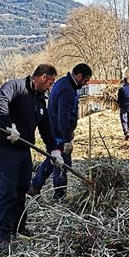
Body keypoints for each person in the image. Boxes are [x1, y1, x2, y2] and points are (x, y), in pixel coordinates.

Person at [0, 64, 57, 247]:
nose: (50, 86)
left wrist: (55, 150)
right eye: (50, 82)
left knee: (21, 190)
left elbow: (46, 129)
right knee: (8, 193)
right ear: (43, 77)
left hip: (23, 151)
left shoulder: (40, 101)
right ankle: (3, 235)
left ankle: (19, 228)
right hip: (6, 149)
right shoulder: (16, 86)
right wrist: (9, 125)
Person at [28, 63, 93, 200]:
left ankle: (35, 186)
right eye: (85, 80)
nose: (85, 83)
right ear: (79, 76)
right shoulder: (67, 89)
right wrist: (66, 139)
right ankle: (59, 195)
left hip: (57, 131)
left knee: (53, 159)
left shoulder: (65, 84)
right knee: (62, 163)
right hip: (58, 133)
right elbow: (62, 116)